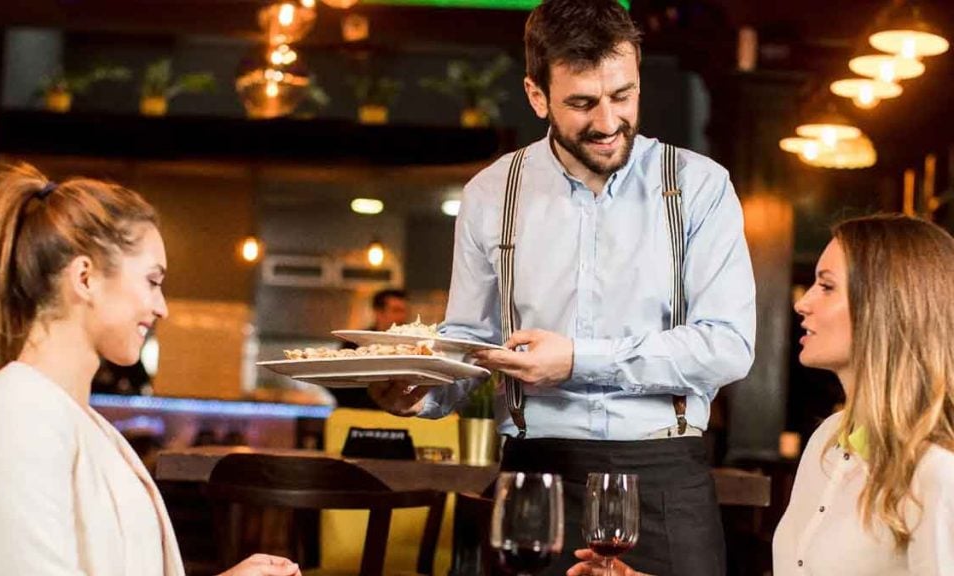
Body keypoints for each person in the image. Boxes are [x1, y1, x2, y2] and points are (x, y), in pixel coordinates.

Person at [367, 0, 755, 574]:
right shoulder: (489, 194)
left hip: (665, 478)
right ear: (537, 95)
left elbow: (727, 345)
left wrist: (577, 361)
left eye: (623, 95)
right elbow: (470, 339)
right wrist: (419, 391)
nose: (606, 122)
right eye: (581, 103)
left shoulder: (701, 188)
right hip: (534, 474)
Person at [0, 163, 301, 576]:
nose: (162, 307)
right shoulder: (15, 410)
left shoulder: (84, 423)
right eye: (153, 281)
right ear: (85, 278)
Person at [771, 215, 954, 575]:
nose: (802, 304)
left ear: (884, 305)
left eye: (826, 287)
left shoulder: (937, 471)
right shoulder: (827, 438)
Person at [334, 289, 411, 408]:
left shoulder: (411, 347)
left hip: (400, 415)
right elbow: (335, 382)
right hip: (357, 414)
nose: (402, 317)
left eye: (404, 311)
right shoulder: (354, 343)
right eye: (396, 310)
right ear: (378, 312)